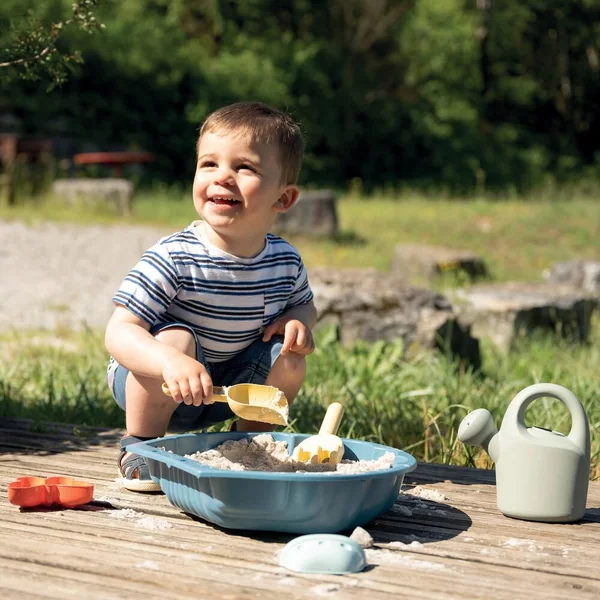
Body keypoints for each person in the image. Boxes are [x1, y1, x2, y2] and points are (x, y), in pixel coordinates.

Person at [104, 102, 316, 491]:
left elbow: (304, 303)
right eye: (209, 164)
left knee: (289, 355)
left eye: (244, 167)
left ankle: (247, 442)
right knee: (176, 339)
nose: (223, 177)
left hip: (227, 388)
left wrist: (298, 321)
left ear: (284, 199)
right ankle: (141, 445)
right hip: (154, 383)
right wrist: (169, 362)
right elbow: (119, 332)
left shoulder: (284, 261)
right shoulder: (174, 256)